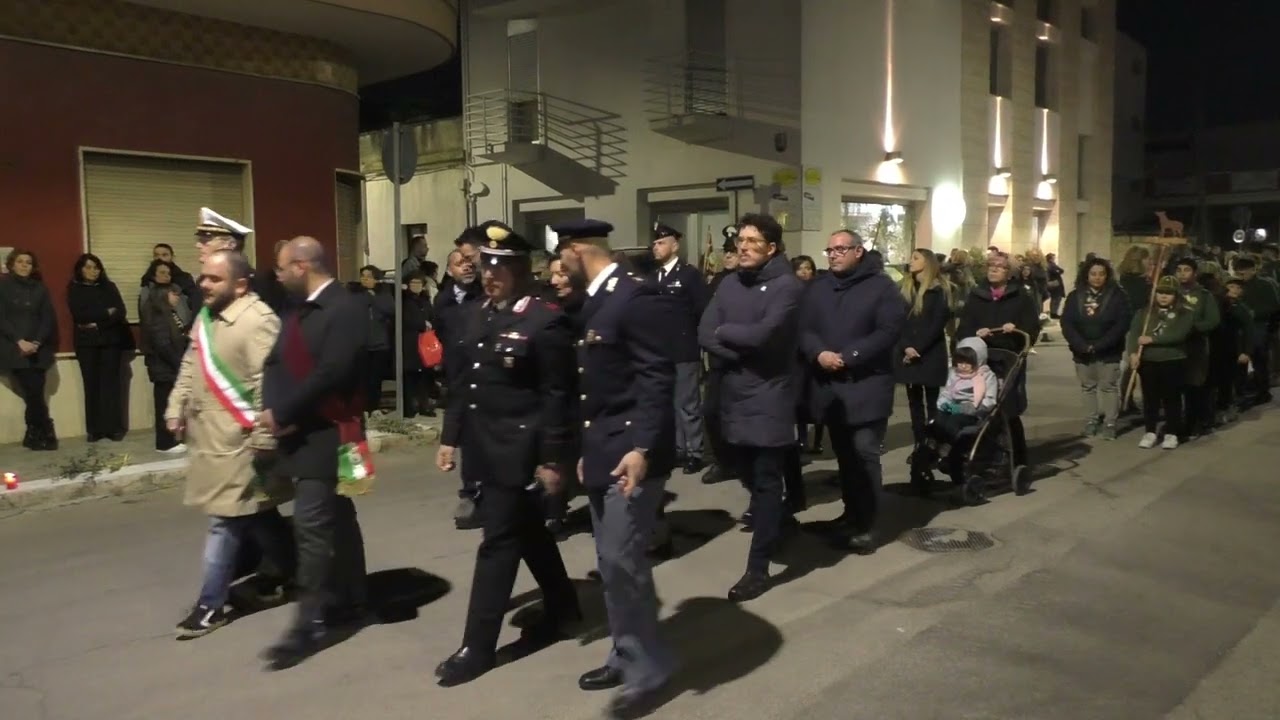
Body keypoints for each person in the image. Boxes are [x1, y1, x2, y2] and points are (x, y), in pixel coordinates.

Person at [433, 221, 580, 687]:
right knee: (528, 531)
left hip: (521, 450)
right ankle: (563, 603)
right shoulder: (477, 314)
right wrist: (449, 437)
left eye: (499, 266)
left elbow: (558, 396)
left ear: (519, 268)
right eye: (484, 266)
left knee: (498, 543)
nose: (489, 274)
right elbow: (465, 384)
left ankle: (477, 646)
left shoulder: (544, 319)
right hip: (483, 445)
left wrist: (552, 458)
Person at [554, 218, 677, 716]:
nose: (557, 267)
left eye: (560, 255)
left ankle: (648, 666)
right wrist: (589, 447)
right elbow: (598, 385)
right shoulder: (600, 298)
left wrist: (642, 448)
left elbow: (655, 376)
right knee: (611, 561)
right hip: (605, 446)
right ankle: (626, 651)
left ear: (577, 249)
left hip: (633, 452)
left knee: (623, 559)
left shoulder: (635, 296)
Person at [165, 249, 295, 638]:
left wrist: (262, 435)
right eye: (203, 276)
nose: (203, 284)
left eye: (213, 279)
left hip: (241, 441)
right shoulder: (206, 317)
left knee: (225, 521)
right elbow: (191, 364)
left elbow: (270, 383)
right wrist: (176, 406)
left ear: (240, 284)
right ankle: (290, 570)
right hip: (210, 437)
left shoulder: (258, 321)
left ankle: (210, 605)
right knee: (258, 512)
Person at [259, 236, 370, 670]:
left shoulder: (344, 308)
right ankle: (352, 597)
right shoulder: (297, 307)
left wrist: (283, 410)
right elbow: (278, 362)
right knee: (337, 515)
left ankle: (307, 623)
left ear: (303, 266)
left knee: (312, 526)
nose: (279, 276)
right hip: (299, 431)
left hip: (330, 434)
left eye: (283, 268)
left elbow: (331, 373)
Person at [700, 213, 806, 600]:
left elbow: (763, 336)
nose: (742, 248)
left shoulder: (787, 287)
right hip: (731, 394)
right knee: (740, 470)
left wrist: (725, 333)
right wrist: (734, 342)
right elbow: (703, 332)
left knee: (764, 483)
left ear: (771, 248)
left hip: (768, 398)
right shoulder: (729, 283)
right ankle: (780, 518)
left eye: (751, 242)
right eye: (740, 241)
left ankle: (757, 569)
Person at [799, 229, 906, 555]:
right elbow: (803, 328)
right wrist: (818, 353)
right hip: (831, 388)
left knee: (864, 456)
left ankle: (868, 524)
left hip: (866, 386)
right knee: (845, 457)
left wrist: (850, 356)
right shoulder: (819, 287)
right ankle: (850, 514)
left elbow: (888, 331)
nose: (833, 255)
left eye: (840, 249)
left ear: (859, 251)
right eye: (829, 249)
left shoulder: (882, 287)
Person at [954, 252, 1039, 468]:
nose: (993, 269)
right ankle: (981, 454)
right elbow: (963, 329)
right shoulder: (977, 295)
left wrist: (1016, 329)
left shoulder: (1021, 297)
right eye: (990, 265)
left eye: (999, 266)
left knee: (1007, 408)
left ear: (1008, 273)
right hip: (981, 358)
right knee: (978, 406)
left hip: (1009, 358)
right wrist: (975, 332)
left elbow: (1031, 329)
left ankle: (1017, 459)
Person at [435, 232, 487, 529]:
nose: (466, 266)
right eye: (459, 263)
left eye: (469, 261)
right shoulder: (443, 302)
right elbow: (443, 336)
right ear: (449, 271)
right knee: (468, 437)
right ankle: (469, 493)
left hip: (482, 372)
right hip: (458, 375)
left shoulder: (483, 294)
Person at [650, 223, 710, 474]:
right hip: (660, 351)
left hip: (683, 349)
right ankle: (678, 449)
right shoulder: (653, 277)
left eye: (661, 242)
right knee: (669, 404)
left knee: (688, 404)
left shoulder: (688, 275)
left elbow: (702, 310)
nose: (656, 247)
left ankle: (695, 451)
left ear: (675, 245)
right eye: (654, 243)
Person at [1060, 257, 1131, 440]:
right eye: (1093, 274)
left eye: (1101, 274)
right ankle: (1091, 421)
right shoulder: (1075, 296)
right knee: (1088, 387)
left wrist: (1101, 345)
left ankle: (1110, 423)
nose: (1097, 278)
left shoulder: (1118, 296)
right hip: (1081, 350)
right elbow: (1067, 323)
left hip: (1109, 351)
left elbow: (1122, 324)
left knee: (1108, 386)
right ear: (1086, 275)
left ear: (1107, 276)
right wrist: (1081, 344)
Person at [67, 253, 131, 442]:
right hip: (87, 345)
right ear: (80, 269)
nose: (92, 271)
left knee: (111, 385)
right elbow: (79, 315)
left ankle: (113, 428)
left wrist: (97, 323)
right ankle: (94, 430)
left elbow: (120, 312)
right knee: (92, 385)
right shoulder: (74, 288)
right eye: (88, 267)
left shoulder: (109, 287)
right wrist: (105, 312)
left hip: (110, 342)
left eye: (96, 267)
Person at [893, 248, 951, 457]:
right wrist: (906, 346)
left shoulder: (940, 290)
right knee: (914, 403)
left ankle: (934, 442)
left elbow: (937, 324)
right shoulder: (904, 289)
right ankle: (919, 443)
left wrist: (918, 348)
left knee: (933, 402)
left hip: (930, 354)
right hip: (908, 354)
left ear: (928, 263)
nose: (911, 261)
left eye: (916, 258)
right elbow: (897, 322)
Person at [1127, 276, 1194, 449]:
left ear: (1176, 295)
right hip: (1149, 361)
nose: (1163, 296)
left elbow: (1179, 335)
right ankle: (1150, 431)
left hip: (1173, 359)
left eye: (1169, 293)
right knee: (1150, 398)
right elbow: (1134, 333)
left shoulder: (1185, 313)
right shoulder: (1145, 312)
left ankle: (1172, 432)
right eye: (1160, 292)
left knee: (1172, 398)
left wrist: (1152, 339)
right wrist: (1133, 353)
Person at [0, 249, 57, 450]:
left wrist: (37, 342)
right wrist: (19, 341)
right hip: (14, 349)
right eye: (20, 261)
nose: (24, 265)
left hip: (38, 350)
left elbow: (47, 318)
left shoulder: (40, 289)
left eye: (28, 262)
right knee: (33, 392)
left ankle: (34, 434)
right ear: (12, 264)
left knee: (35, 392)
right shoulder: (3, 287)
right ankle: (45, 431)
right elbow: (2, 319)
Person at [700, 228, 742, 486]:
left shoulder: (749, 280)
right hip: (717, 360)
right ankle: (724, 460)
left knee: (740, 416)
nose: (727, 256)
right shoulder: (716, 281)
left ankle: (741, 461)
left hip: (741, 359)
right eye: (725, 251)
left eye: (732, 252)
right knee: (712, 412)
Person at [928, 338, 999, 484]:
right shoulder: (954, 374)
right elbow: (946, 392)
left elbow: (990, 400)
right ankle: (934, 447)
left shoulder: (986, 376)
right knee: (937, 420)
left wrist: (971, 408)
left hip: (973, 411)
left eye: (968, 363)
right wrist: (943, 404)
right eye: (960, 362)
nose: (963, 366)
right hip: (952, 406)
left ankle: (947, 448)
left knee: (954, 421)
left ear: (978, 360)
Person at [193, 207, 287, 313]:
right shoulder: (202, 281)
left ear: (230, 245)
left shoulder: (258, 283)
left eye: (205, 240)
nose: (198, 245)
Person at [143, 281, 193, 453]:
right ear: (163, 296)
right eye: (174, 294)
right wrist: (179, 363)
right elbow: (163, 345)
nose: (177, 297)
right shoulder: (158, 316)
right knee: (164, 404)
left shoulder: (171, 314)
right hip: (164, 368)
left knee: (172, 403)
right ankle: (164, 443)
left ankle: (173, 439)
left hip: (171, 367)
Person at [1173, 257, 1220, 437]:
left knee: (1195, 386)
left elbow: (1213, 320)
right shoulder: (1171, 292)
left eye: (1186, 270)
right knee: (1177, 387)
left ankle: (1195, 422)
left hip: (1196, 346)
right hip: (1175, 347)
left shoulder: (1204, 295)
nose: (1182, 273)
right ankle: (1177, 422)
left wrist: (1193, 327)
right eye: (1179, 270)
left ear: (1194, 273)